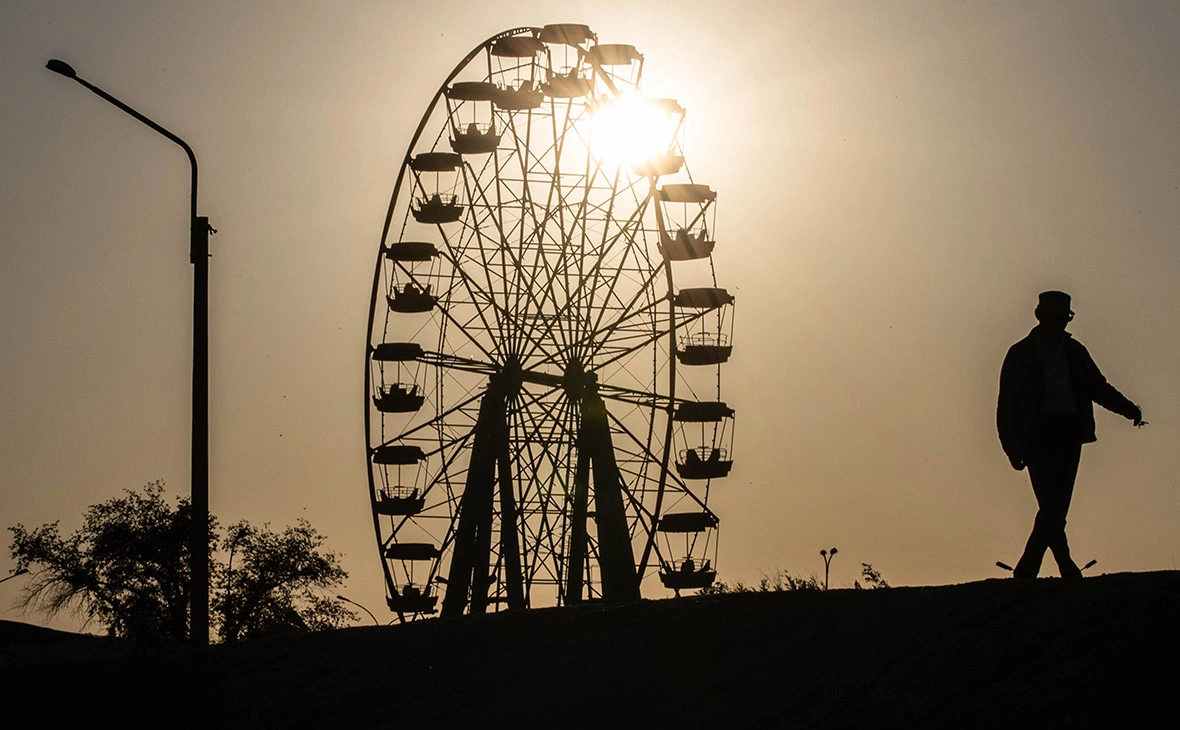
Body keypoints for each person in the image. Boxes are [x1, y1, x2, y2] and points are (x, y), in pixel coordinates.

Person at [997, 291, 1144, 579]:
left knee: (1055, 507)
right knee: (1052, 508)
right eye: (1055, 318)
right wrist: (1011, 447)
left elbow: (1098, 387)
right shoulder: (1020, 355)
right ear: (1041, 318)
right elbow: (1006, 407)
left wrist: (1128, 409)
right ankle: (1047, 569)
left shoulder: (1075, 353)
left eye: (1063, 319)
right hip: (1037, 437)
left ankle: (1045, 569)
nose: (1059, 324)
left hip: (1069, 433)